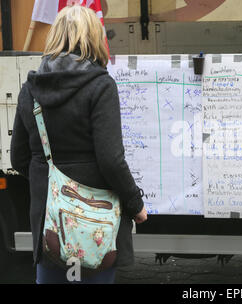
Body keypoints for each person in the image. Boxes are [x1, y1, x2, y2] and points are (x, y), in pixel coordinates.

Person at [10, 5, 148, 284]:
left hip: (50, 224)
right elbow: (111, 159)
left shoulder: (30, 88)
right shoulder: (100, 86)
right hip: (95, 225)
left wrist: (52, 183)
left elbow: (19, 158)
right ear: (94, 37)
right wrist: (135, 204)